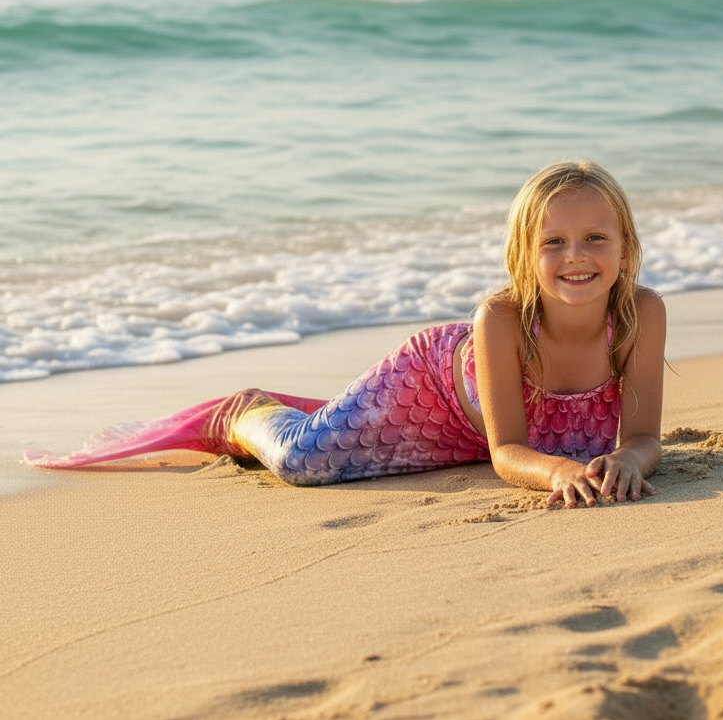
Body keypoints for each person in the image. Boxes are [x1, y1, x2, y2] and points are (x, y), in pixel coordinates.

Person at [26, 160, 665, 507]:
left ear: (625, 245)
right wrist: (559, 473)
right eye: (552, 242)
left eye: (594, 239)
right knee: (303, 462)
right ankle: (247, 411)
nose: (575, 256)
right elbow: (507, 455)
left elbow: (640, 438)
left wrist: (628, 463)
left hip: (472, 441)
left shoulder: (640, 314)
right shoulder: (500, 319)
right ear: (523, 256)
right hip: (431, 393)